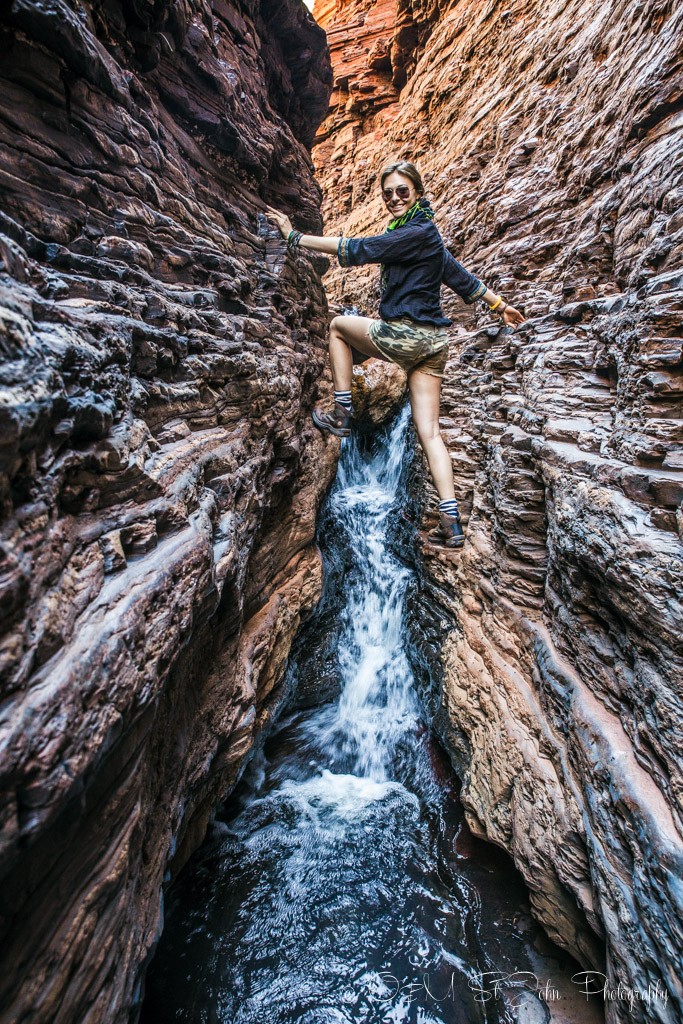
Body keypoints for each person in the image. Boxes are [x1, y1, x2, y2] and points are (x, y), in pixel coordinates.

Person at [265, 160, 525, 548]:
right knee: (430, 433)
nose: (394, 198)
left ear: (417, 192)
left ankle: (341, 412)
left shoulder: (413, 232)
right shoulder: (429, 237)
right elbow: (461, 278)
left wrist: (294, 237)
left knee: (338, 326)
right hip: (435, 345)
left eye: (402, 190)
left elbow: (357, 249)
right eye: (388, 192)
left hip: (406, 336)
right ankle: (451, 523)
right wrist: (499, 305)